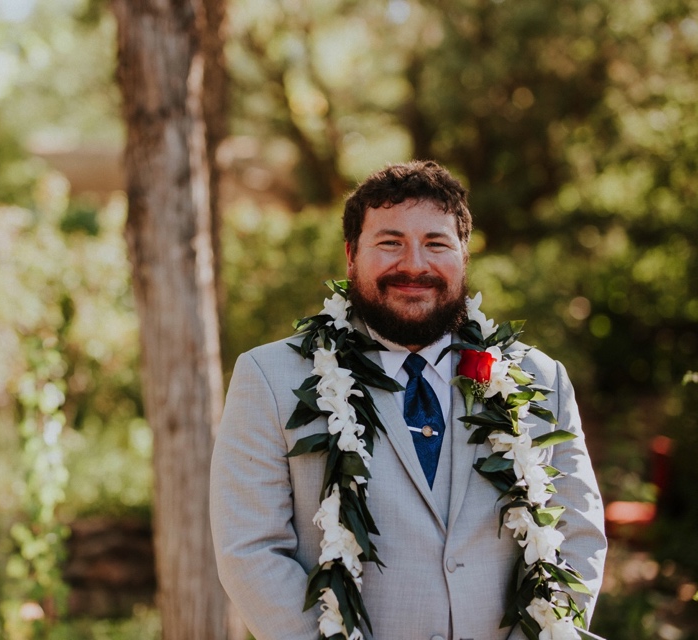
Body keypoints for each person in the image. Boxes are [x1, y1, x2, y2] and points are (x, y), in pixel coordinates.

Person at [210, 160, 607, 640]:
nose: (415, 265)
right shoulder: (270, 378)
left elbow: (579, 538)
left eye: (436, 243)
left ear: (463, 254)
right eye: (390, 242)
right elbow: (251, 550)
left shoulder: (541, 379)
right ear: (351, 255)